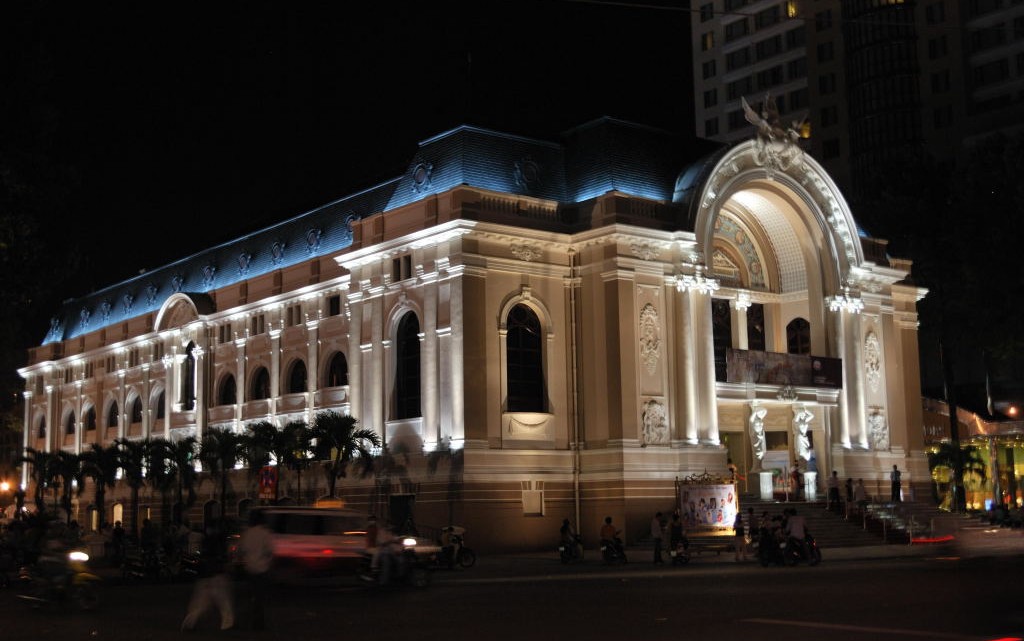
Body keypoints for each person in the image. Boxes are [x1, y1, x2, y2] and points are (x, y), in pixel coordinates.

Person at [181, 524, 234, 632]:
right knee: (224, 603)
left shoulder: (205, 543)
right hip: (216, 576)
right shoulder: (217, 543)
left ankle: (189, 623)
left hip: (205, 577)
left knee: (200, 604)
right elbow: (220, 559)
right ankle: (227, 624)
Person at [236, 512, 275, 630]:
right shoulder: (265, 533)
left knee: (250, 594)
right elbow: (269, 550)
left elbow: (241, 550)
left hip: (249, 567)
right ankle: (258, 622)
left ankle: (247, 619)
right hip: (262, 567)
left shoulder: (247, 533)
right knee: (260, 597)